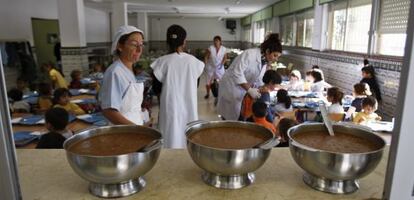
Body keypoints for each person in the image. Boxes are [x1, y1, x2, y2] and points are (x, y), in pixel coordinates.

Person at [151, 25, 204, 148]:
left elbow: (156, 89)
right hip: (189, 107)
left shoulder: (161, 62)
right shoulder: (194, 62)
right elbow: (195, 85)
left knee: (169, 137)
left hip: (169, 108)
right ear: (184, 41)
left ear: (167, 42)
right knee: (188, 137)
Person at [218, 33, 282, 120]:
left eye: (278, 57)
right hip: (231, 87)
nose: (276, 59)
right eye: (275, 55)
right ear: (267, 51)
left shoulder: (263, 62)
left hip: (241, 90)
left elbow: (258, 79)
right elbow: (237, 73)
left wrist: (261, 88)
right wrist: (249, 89)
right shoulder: (250, 55)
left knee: (238, 115)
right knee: (230, 117)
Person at [99, 25, 146, 125]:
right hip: (123, 132)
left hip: (134, 127)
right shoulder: (115, 72)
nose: (139, 50)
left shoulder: (128, 70)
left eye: (141, 45)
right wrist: (135, 129)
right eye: (134, 44)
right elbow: (109, 111)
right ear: (120, 46)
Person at [204, 35, 227, 100]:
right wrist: (205, 65)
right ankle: (208, 94)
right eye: (214, 41)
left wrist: (222, 64)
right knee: (208, 81)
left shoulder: (223, 49)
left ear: (220, 41)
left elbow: (225, 58)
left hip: (219, 67)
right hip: (210, 66)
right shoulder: (210, 48)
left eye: (217, 41)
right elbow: (206, 57)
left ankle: (222, 93)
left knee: (222, 80)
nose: (215, 42)